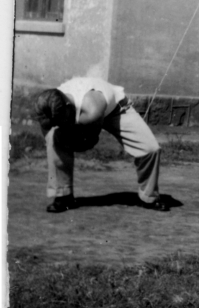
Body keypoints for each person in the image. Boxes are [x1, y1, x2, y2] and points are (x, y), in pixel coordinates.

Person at [34, 77, 166, 213]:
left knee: (150, 148)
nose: (57, 124)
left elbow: (89, 142)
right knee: (53, 138)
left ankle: (148, 197)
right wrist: (57, 137)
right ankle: (63, 195)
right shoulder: (48, 106)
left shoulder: (91, 111)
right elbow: (48, 131)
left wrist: (70, 134)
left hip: (116, 109)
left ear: (68, 107)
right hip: (82, 111)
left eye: (60, 120)